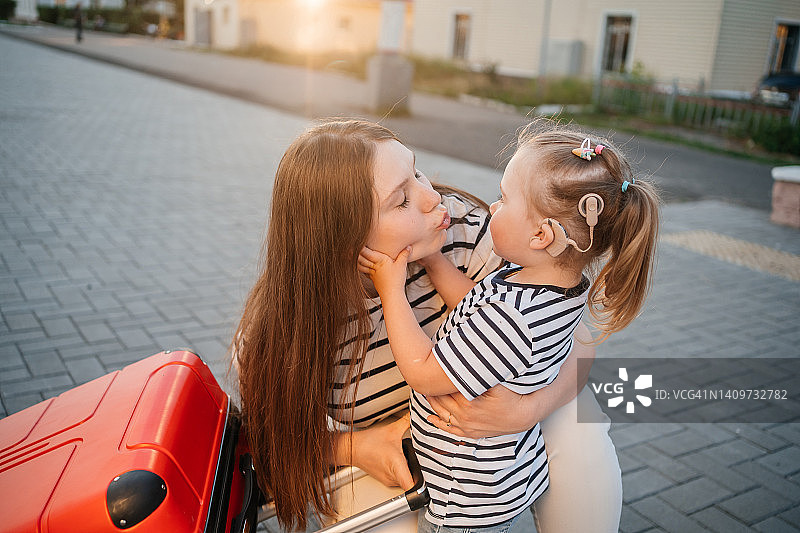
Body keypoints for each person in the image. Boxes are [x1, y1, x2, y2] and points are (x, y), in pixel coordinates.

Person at [233, 119, 623, 532]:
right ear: (342, 236)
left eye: (416, 172)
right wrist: (356, 446)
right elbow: (270, 439)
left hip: (496, 429)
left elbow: (575, 341)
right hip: (392, 447)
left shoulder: (468, 231)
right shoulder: (284, 326)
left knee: (582, 438)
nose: (431, 196)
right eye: (401, 200)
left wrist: (524, 409)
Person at [359, 124, 659, 532]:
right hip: (505, 469)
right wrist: (436, 262)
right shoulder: (544, 285)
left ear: (540, 234)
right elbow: (472, 302)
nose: (492, 208)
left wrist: (391, 291)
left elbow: (425, 372)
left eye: (504, 199)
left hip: (466, 495)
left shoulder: (515, 318)